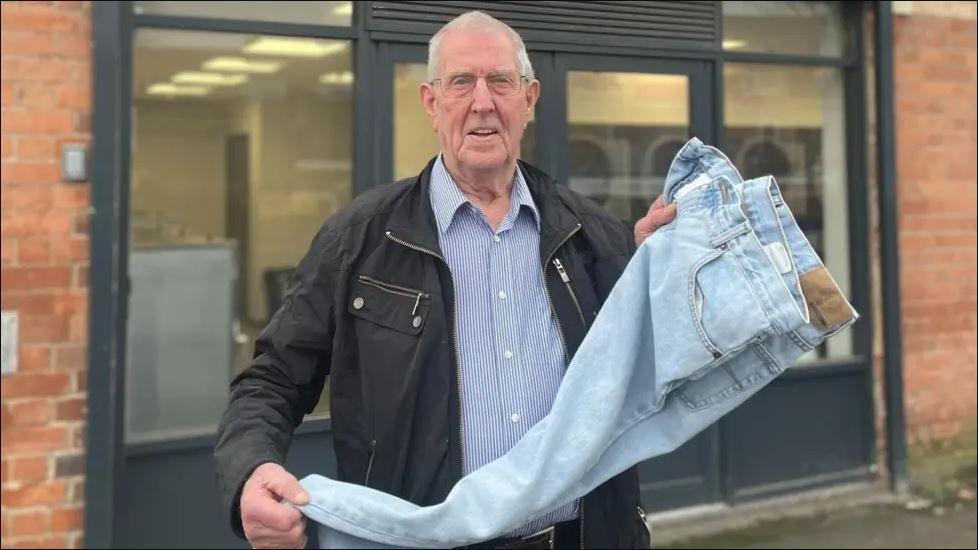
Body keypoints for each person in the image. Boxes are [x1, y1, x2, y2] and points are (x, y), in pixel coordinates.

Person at [214, 10, 677, 549]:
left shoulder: (591, 236)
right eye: (461, 82)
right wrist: (250, 470)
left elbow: (655, 372)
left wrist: (658, 269)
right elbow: (272, 378)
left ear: (528, 99)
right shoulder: (361, 239)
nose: (483, 102)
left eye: (500, 81)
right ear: (432, 103)